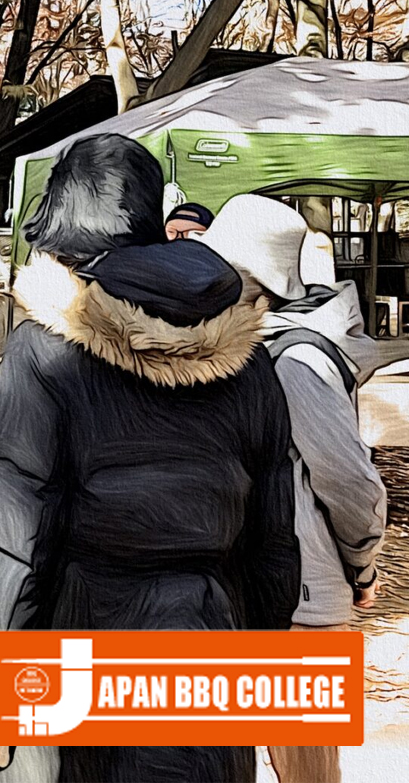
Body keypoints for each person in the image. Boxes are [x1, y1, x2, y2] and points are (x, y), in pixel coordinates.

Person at [0, 134, 299, 783]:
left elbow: (16, 538)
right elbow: (273, 541)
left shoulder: (45, 349)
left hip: (79, 652)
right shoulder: (248, 352)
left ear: (66, 246)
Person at [202, 194, 387, 783]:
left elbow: (351, 482)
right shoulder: (262, 350)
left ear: (252, 281)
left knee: (306, 770)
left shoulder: (294, 359)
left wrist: (362, 567)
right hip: (269, 588)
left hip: (305, 595)